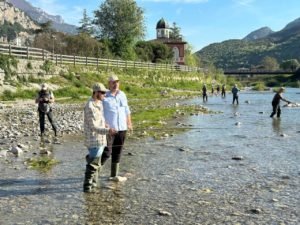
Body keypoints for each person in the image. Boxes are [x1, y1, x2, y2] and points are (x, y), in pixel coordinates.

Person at [83, 83, 115, 193]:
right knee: (93, 165)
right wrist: (108, 130)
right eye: (102, 92)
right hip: (93, 139)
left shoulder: (99, 103)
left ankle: (94, 185)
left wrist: (105, 124)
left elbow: (100, 120)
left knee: (96, 163)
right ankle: (87, 187)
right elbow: (94, 127)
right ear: (95, 93)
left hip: (101, 138)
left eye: (105, 92)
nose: (104, 94)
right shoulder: (90, 106)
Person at [102, 73, 132, 179]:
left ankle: (114, 175)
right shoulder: (104, 96)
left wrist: (129, 123)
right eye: (113, 82)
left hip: (122, 128)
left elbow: (127, 110)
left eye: (117, 82)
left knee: (118, 152)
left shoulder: (122, 94)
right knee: (107, 152)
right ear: (109, 84)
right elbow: (99, 112)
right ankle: (93, 171)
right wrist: (104, 124)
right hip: (109, 130)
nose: (116, 84)